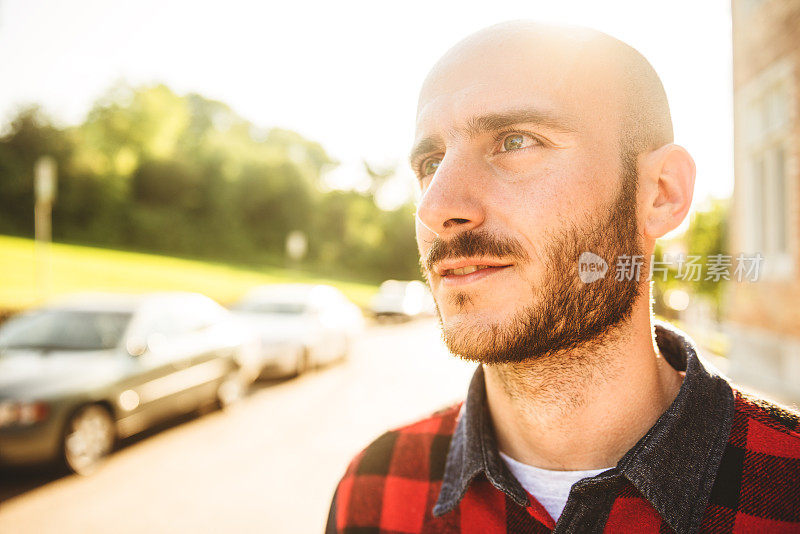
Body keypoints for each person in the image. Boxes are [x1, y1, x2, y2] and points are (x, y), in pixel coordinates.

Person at [326, 21, 800, 533]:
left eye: (514, 141)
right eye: (431, 162)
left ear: (661, 193)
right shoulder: (375, 488)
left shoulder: (786, 490)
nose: (437, 207)